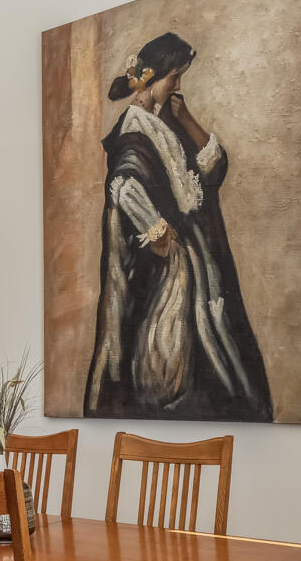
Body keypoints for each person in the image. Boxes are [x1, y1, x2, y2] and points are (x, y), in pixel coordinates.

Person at [84, 32, 273, 422]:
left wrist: (185, 117)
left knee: (220, 357)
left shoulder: (167, 123)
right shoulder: (133, 132)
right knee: (171, 365)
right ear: (152, 78)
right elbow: (123, 183)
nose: (178, 86)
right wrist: (157, 233)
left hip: (201, 262)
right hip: (168, 275)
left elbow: (214, 169)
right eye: (175, 77)